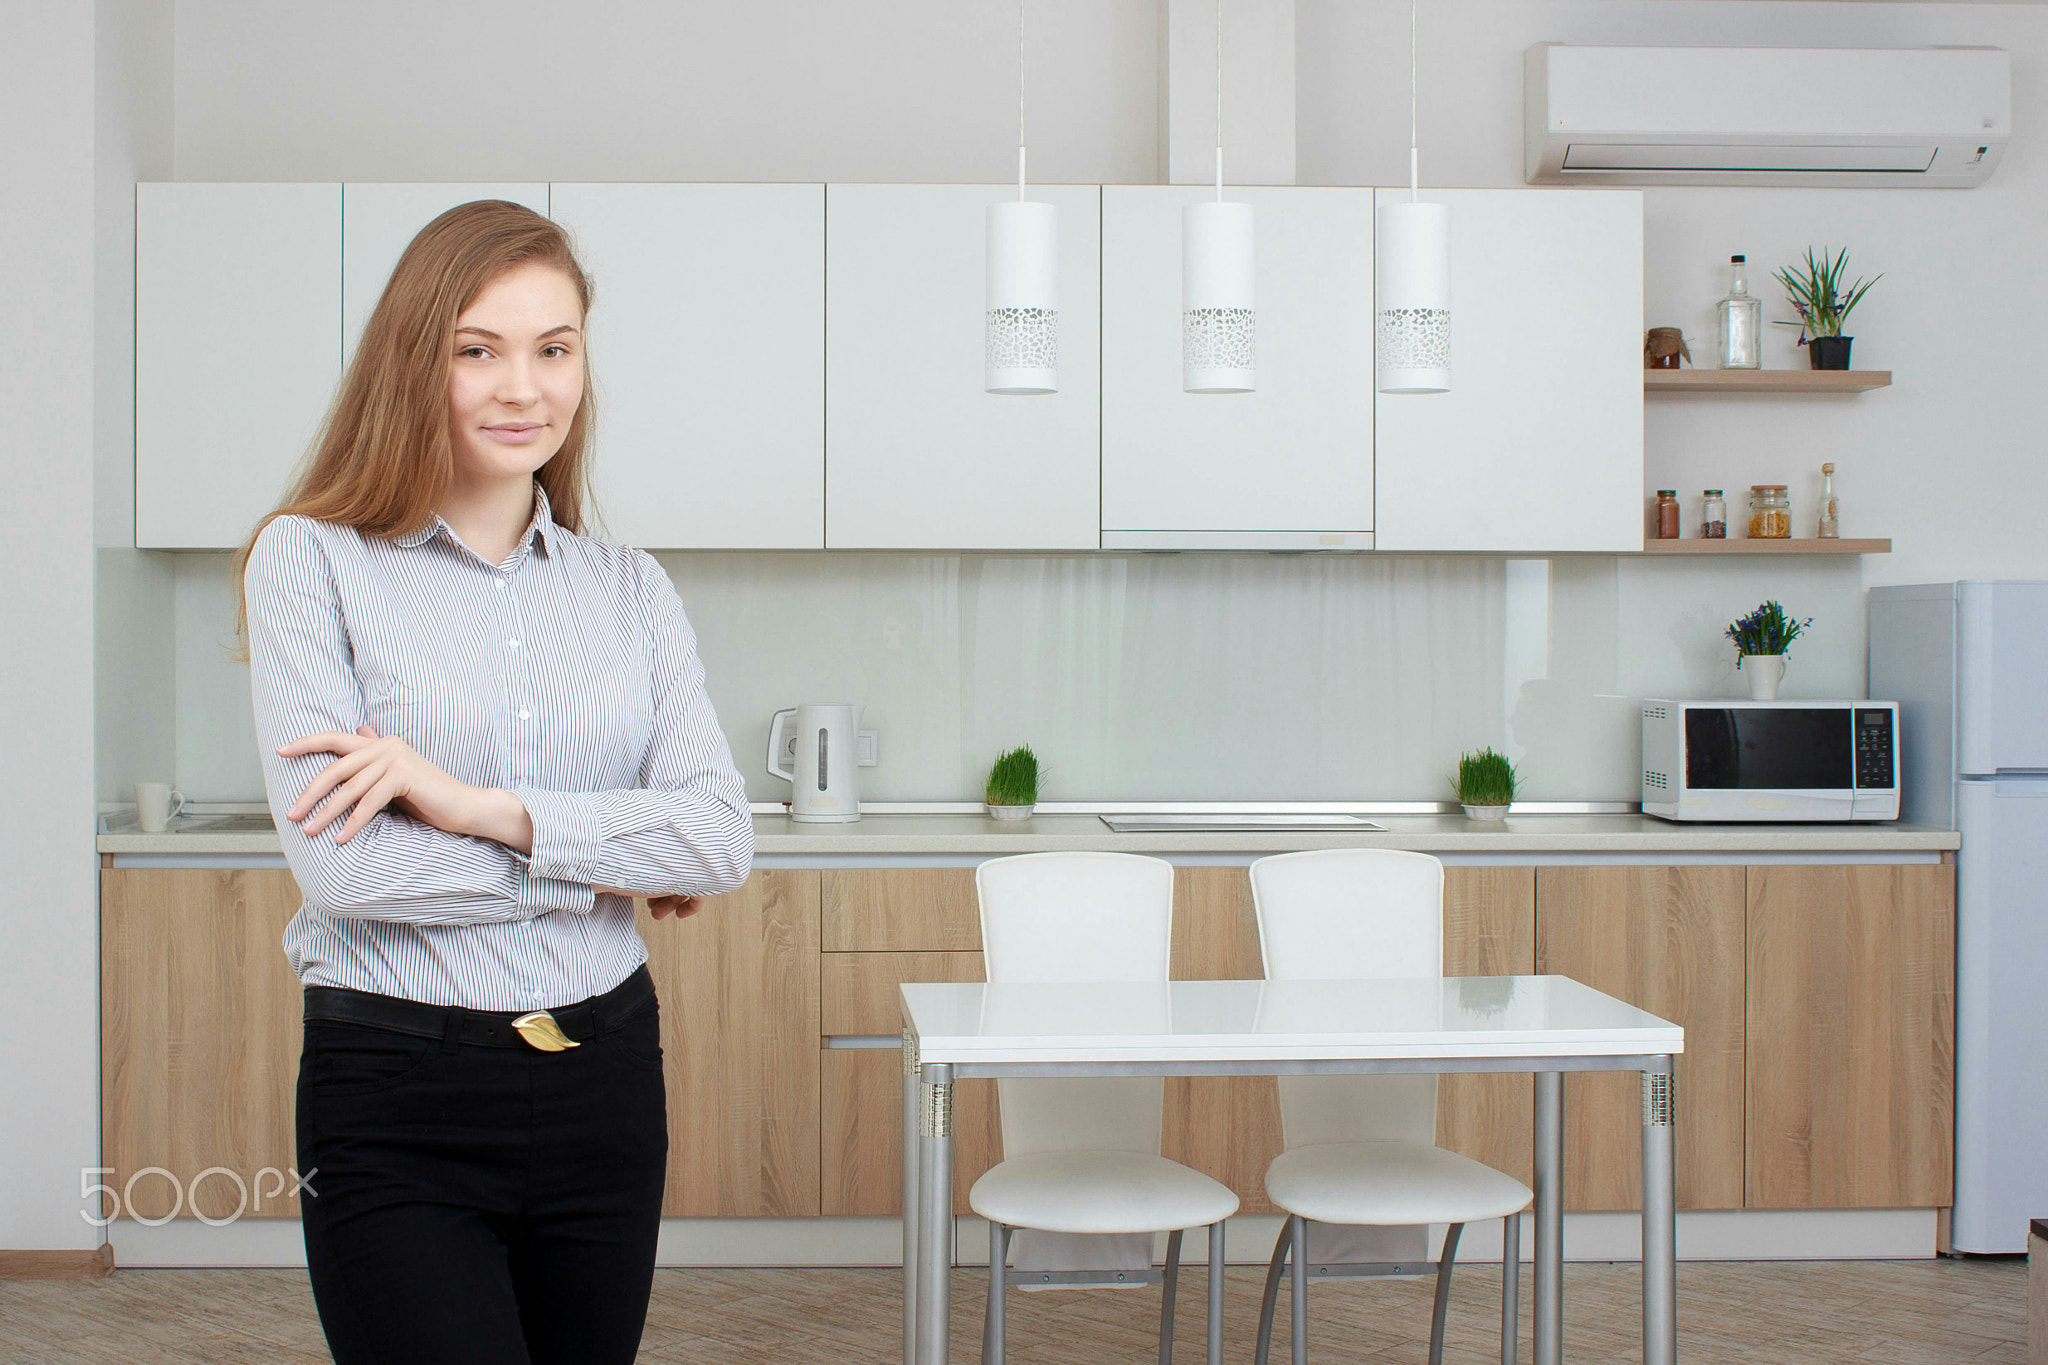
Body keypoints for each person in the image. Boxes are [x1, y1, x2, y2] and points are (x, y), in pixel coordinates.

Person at [233, 199, 754, 1365]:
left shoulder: (628, 588)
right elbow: (344, 868)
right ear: (417, 361)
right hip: (396, 1089)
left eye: (552, 349)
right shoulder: (310, 560)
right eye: (479, 349)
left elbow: (719, 838)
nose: (523, 387)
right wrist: (611, 858)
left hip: (606, 1079)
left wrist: (473, 808)